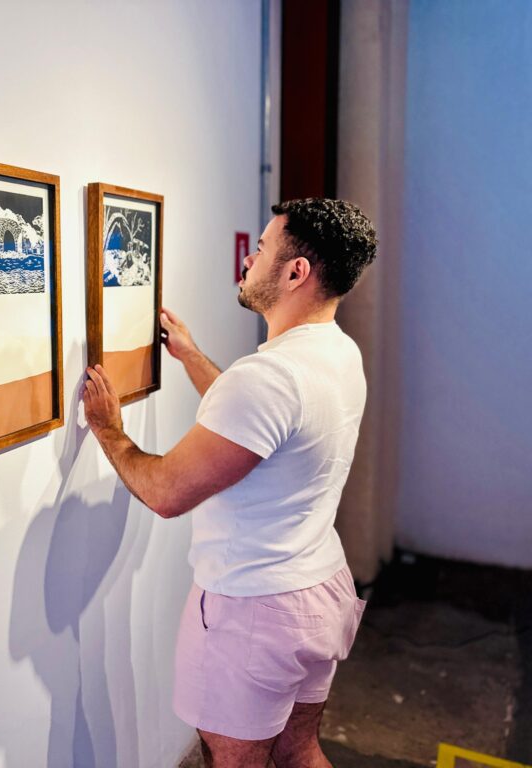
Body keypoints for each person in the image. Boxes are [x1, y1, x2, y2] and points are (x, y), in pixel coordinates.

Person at [82, 198, 377, 767]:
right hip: (318, 592)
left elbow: (167, 492)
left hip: (255, 614)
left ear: (296, 273)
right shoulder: (338, 353)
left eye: (262, 248)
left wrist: (109, 431)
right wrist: (191, 357)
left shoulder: (268, 377)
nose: (249, 258)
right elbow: (255, 429)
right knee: (299, 751)